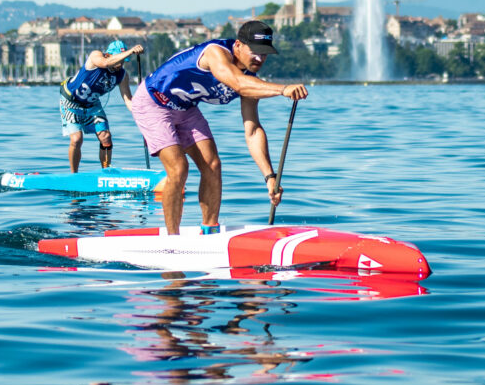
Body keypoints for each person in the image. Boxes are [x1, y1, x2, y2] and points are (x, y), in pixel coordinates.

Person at [130, 20, 308, 235]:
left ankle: (209, 230)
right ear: (239, 45)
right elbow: (237, 83)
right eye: (255, 52)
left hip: (185, 108)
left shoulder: (251, 81)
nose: (260, 59)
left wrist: (270, 177)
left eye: (265, 53)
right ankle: (172, 239)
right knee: (179, 168)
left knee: (213, 165)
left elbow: (252, 131)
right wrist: (283, 89)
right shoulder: (216, 53)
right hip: (153, 102)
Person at [59, 39, 144, 172]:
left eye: (123, 62)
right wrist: (130, 51)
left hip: (92, 104)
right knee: (76, 139)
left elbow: (128, 100)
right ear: (109, 55)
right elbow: (104, 63)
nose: (120, 64)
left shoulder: (122, 75)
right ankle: (73, 175)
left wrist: (141, 114)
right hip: (71, 102)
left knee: (106, 137)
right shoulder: (96, 56)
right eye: (118, 60)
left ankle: (106, 172)